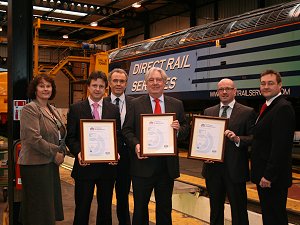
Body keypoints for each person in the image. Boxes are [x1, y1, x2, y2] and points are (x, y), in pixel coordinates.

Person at [122, 67, 189, 225]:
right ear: (146, 83)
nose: (155, 83)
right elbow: (127, 130)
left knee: (165, 209)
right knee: (140, 209)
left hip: (167, 168)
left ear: (165, 83)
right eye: (151, 80)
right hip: (142, 167)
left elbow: (186, 128)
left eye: (159, 80)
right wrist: (136, 145)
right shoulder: (135, 104)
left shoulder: (177, 104)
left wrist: (179, 130)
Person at [66, 71, 121, 225]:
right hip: (85, 167)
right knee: (82, 209)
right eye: (94, 85)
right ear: (88, 87)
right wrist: (79, 153)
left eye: (101, 86)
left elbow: (116, 136)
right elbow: (70, 137)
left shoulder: (113, 110)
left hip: (107, 168)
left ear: (106, 89)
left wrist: (115, 153)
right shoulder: (76, 108)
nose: (98, 89)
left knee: (105, 209)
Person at [202, 78, 256, 225]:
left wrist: (238, 139)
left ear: (235, 91)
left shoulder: (247, 112)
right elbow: (203, 138)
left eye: (228, 89)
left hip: (235, 170)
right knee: (215, 210)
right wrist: (203, 155)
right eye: (221, 89)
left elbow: (253, 138)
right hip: (213, 170)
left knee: (239, 211)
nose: (224, 92)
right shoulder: (209, 111)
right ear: (217, 92)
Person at [18, 74, 66, 225]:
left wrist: (62, 151)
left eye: (48, 86)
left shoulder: (52, 109)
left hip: (50, 164)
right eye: (42, 86)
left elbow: (60, 134)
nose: (46, 89)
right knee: (38, 209)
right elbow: (33, 138)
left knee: (47, 208)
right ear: (35, 89)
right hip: (35, 166)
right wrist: (55, 153)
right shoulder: (30, 109)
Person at [251, 70, 295, 225]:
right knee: (269, 216)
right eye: (263, 83)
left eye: (270, 83)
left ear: (280, 85)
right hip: (266, 176)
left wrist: (268, 175)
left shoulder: (282, 108)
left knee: (275, 218)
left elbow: (280, 146)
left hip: (272, 179)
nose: (266, 87)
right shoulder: (268, 106)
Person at [104, 68, 134, 225]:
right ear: (109, 83)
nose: (118, 84)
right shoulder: (102, 103)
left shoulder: (134, 104)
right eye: (115, 81)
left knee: (123, 196)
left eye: (122, 81)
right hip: (107, 157)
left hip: (127, 157)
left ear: (126, 84)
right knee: (105, 196)